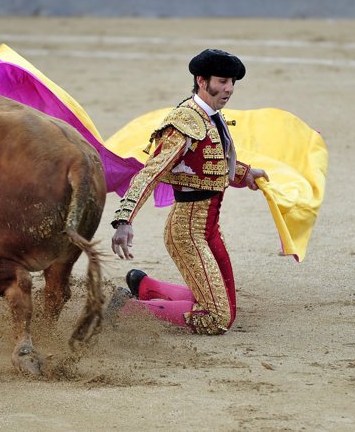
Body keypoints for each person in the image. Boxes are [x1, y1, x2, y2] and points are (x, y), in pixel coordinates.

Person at [109, 49, 269, 335]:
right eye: (222, 81)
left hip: (208, 228)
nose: (229, 89)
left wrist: (244, 174)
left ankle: (145, 286)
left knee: (225, 306)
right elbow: (150, 172)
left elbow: (210, 162)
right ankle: (125, 309)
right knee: (217, 318)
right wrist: (124, 220)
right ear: (201, 80)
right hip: (187, 232)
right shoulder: (184, 124)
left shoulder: (210, 116)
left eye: (232, 82)